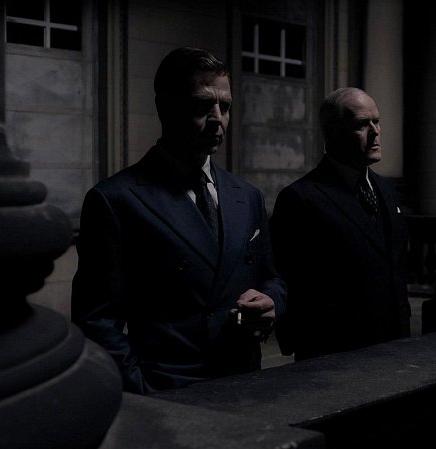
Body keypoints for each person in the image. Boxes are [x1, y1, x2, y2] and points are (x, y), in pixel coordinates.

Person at [71, 47, 285, 394]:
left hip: (246, 383)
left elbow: (271, 277)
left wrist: (271, 301)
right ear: (165, 108)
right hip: (170, 392)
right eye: (203, 106)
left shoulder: (247, 196)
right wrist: (144, 389)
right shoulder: (115, 200)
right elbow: (96, 321)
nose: (218, 119)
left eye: (225, 107)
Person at [270, 87, 411, 361]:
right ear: (332, 133)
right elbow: (286, 278)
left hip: (395, 348)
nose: (375, 132)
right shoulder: (300, 198)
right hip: (335, 355)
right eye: (362, 124)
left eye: (377, 121)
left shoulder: (386, 190)